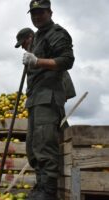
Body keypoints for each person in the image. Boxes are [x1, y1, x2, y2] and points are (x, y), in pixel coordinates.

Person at [20, 1, 75, 199]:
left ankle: (48, 191)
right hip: (35, 98)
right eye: (33, 14)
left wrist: (37, 61)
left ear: (50, 12)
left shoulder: (56, 33)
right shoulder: (37, 38)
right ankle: (40, 185)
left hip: (48, 97)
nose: (37, 17)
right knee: (33, 147)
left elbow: (67, 60)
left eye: (41, 13)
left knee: (45, 145)